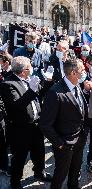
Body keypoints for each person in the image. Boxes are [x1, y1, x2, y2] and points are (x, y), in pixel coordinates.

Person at [1, 56, 52, 189]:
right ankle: (15, 181)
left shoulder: (28, 79)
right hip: (20, 128)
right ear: (24, 70)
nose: (33, 69)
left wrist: (48, 80)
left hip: (36, 125)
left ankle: (39, 172)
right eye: (30, 66)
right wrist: (31, 90)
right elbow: (17, 105)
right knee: (19, 157)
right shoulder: (8, 84)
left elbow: (41, 92)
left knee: (39, 152)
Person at [40, 58, 88, 189]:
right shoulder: (55, 92)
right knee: (61, 173)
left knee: (76, 169)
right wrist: (59, 144)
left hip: (79, 139)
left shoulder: (77, 85)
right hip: (65, 144)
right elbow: (45, 124)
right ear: (73, 72)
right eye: (82, 70)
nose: (85, 72)